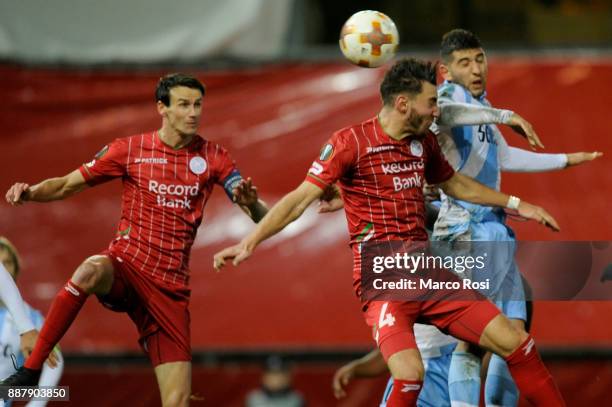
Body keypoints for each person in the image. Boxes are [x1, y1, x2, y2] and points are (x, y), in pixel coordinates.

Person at [214, 58, 565, 406]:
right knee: (410, 373)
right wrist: (250, 242)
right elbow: (298, 200)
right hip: (383, 273)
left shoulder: (424, 143)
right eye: (430, 103)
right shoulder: (349, 142)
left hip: (427, 271)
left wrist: (519, 203)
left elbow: (457, 185)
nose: (435, 112)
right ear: (403, 103)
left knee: (516, 343)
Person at [2, 73, 268, 407]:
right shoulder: (129, 150)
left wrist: (251, 202)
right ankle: (31, 370)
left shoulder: (214, 157)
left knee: (178, 402)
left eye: (198, 104)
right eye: (184, 104)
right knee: (89, 271)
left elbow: (261, 216)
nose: (193, 113)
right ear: (162, 108)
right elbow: (67, 184)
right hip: (126, 266)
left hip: (169, 291)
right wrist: (30, 193)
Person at [432, 28, 601, 407]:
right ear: (445, 71)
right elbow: (445, 114)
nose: (476, 69)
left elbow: (505, 158)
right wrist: (506, 114)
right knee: (475, 334)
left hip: (494, 225)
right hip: (466, 227)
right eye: (464, 63)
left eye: (480, 59)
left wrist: (564, 160)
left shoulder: (481, 107)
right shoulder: (449, 99)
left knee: (517, 334)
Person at [0, 237, 64, 407]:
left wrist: (37, 403)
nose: (3, 269)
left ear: (16, 268)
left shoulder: (30, 319)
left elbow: (55, 361)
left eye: (7, 263)